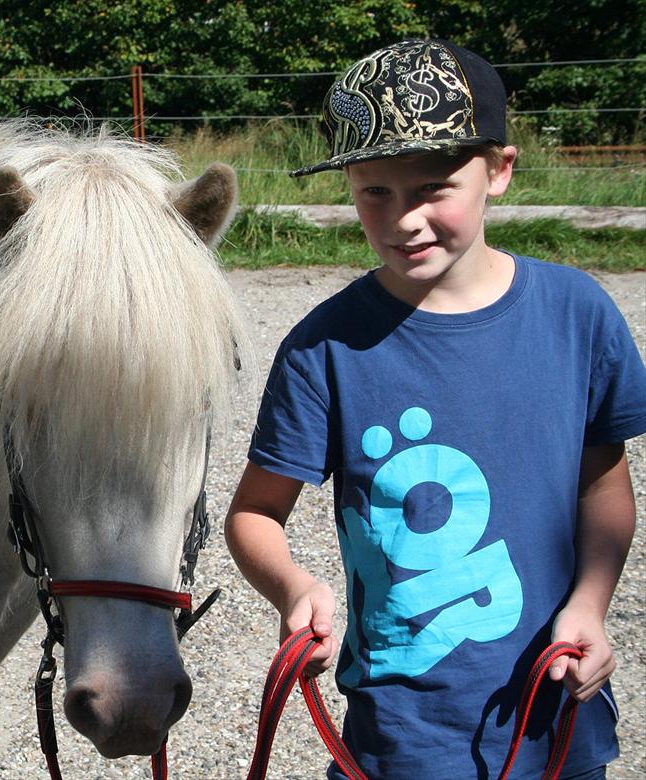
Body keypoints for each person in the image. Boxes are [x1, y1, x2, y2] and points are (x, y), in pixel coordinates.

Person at [225, 38, 646, 779]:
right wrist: (295, 587)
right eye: (374, 192)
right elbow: (254, 513)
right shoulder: (322, 349)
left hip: (557, 726)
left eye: (432, 188)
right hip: (401, 743)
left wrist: (590, 604)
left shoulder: (577, 315)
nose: (404, 219)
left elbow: (602, 485)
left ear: (500, 172)